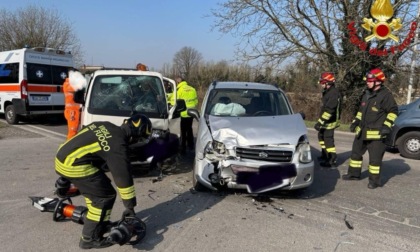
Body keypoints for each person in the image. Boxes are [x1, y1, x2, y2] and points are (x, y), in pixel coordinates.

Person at [54, 114, 152, 249]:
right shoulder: (118, 145)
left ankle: (100, 224)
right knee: (103, 197)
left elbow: (81, 140)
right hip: (73, 165)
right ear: (136, 135)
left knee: (99, 190)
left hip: (62, 157)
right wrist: (129, 207)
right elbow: (123, 177)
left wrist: (64, 179)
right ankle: (89, 238)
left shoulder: (106, 125)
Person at [342, 68, 398, 189]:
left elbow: (393, 112)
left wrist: (387, 126)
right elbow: (361, 112)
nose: (367, 82)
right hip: (362, 131)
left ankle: (374, 181)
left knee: (375, 160)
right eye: (367, 80)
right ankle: (353, 174)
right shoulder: (366, 94)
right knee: (355, 154)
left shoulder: (386, 96)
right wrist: (355, 122)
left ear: (378, 81)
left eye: (370, 80)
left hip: (377, 135)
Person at [314, 72, 342, 167]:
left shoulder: (334, 93)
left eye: (323, 82)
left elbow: (330, 110)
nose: (321, 84)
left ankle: (332, 159)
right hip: (325, 120)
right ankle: (325, 155)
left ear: (328, 83)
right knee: (321, 136)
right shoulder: (327, 92)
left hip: (330, 121)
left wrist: (320, 122)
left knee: (328, 140)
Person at [175, 76, 198, 154]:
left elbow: (175, 101)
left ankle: (183, 148)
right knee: (190, 128)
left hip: (183, 113)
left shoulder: (179, 90)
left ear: (178, 82)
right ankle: (191, 145)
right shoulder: (192, 89)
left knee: (183, 131)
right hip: (192, 112)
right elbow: (196, 101)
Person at [63, 69, 85, 140]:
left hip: (74, 111)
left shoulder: (70, 83)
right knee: (72, 132)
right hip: (72, 112)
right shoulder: (68, 84)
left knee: (74, 131)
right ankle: (69, 147)